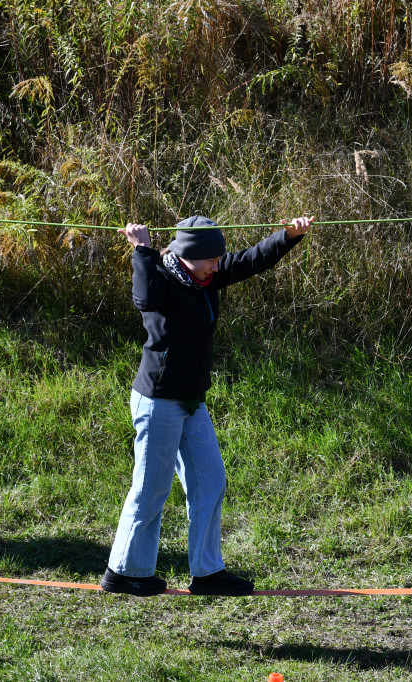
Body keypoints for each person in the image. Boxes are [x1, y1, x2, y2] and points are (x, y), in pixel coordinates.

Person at [100, 214, 314, 596]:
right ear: (188, 254)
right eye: (211, 259)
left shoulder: (208, 276)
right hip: (158, 399)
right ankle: (124, 572)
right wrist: (142, 250)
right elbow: (144, 298)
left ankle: (207, 572)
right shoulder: (161, 277)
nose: (218, 264)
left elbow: (252, 259)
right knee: (150, 489)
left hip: (191, 400)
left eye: (218, 259)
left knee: (210, 481)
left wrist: (288, 236)